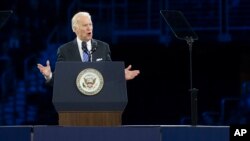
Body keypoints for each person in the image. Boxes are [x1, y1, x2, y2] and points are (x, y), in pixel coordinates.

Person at [37, 11, 140, 83]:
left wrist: (120, 75)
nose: (89, 28)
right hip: (74, 104)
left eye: (90, 25)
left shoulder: (103, 47)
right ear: (75, 29)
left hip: (99, 103)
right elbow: (60, 79)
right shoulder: (64, 50)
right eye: (85, 25)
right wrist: (49, 75)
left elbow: (108, 73)